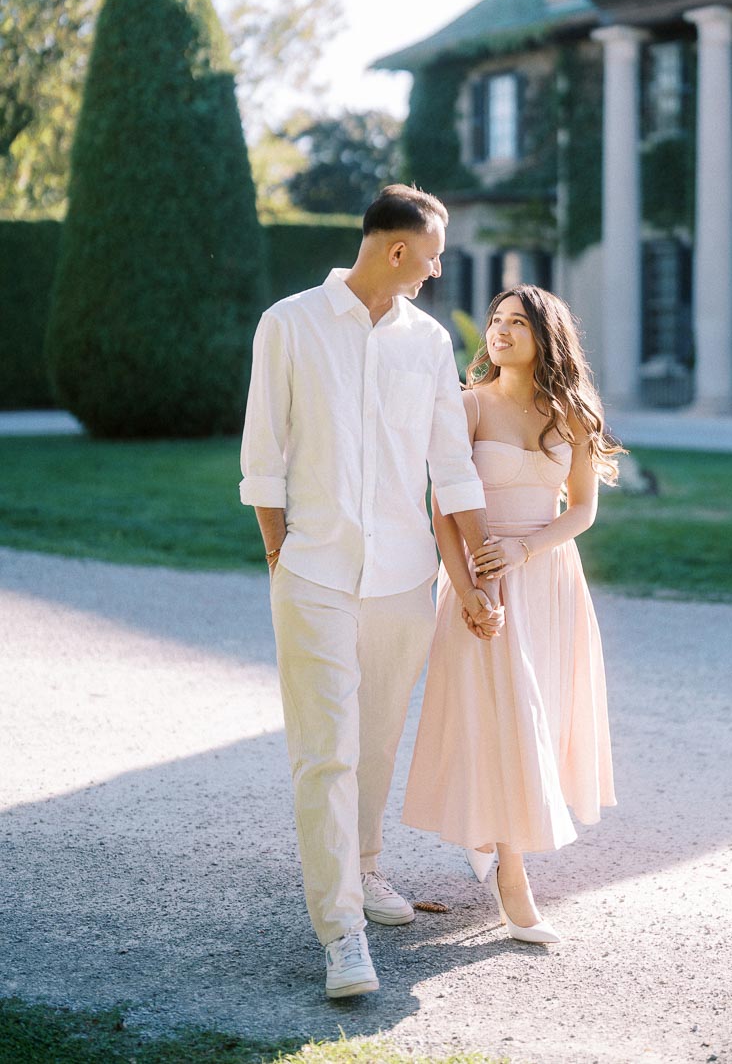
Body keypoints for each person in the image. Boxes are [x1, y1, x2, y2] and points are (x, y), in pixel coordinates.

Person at [239, 184, 502, 999]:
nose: (436, 269)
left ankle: (366, 867)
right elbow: (263, 456)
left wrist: (476, 572)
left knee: (378, 741)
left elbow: (451, 464)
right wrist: (282, 557)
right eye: (431, 255)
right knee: (326, 755)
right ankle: (341, 933)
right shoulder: (288, 324)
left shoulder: (426, 343)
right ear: (397, 250)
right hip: (314, 575)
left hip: (402, 580)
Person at [403, 284, 622, 942]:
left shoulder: (573, 414)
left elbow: (581, 509)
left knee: (538, 717)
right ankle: (512, 876)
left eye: (516, 323)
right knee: (509, 719)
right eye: (495, 321)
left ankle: (493, 833)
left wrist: (528, 546)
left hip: (549, 578)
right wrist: (468, 589)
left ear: (544, 337)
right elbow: (441, 508)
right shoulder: (467, 407)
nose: (499, 331)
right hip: (483, 582)